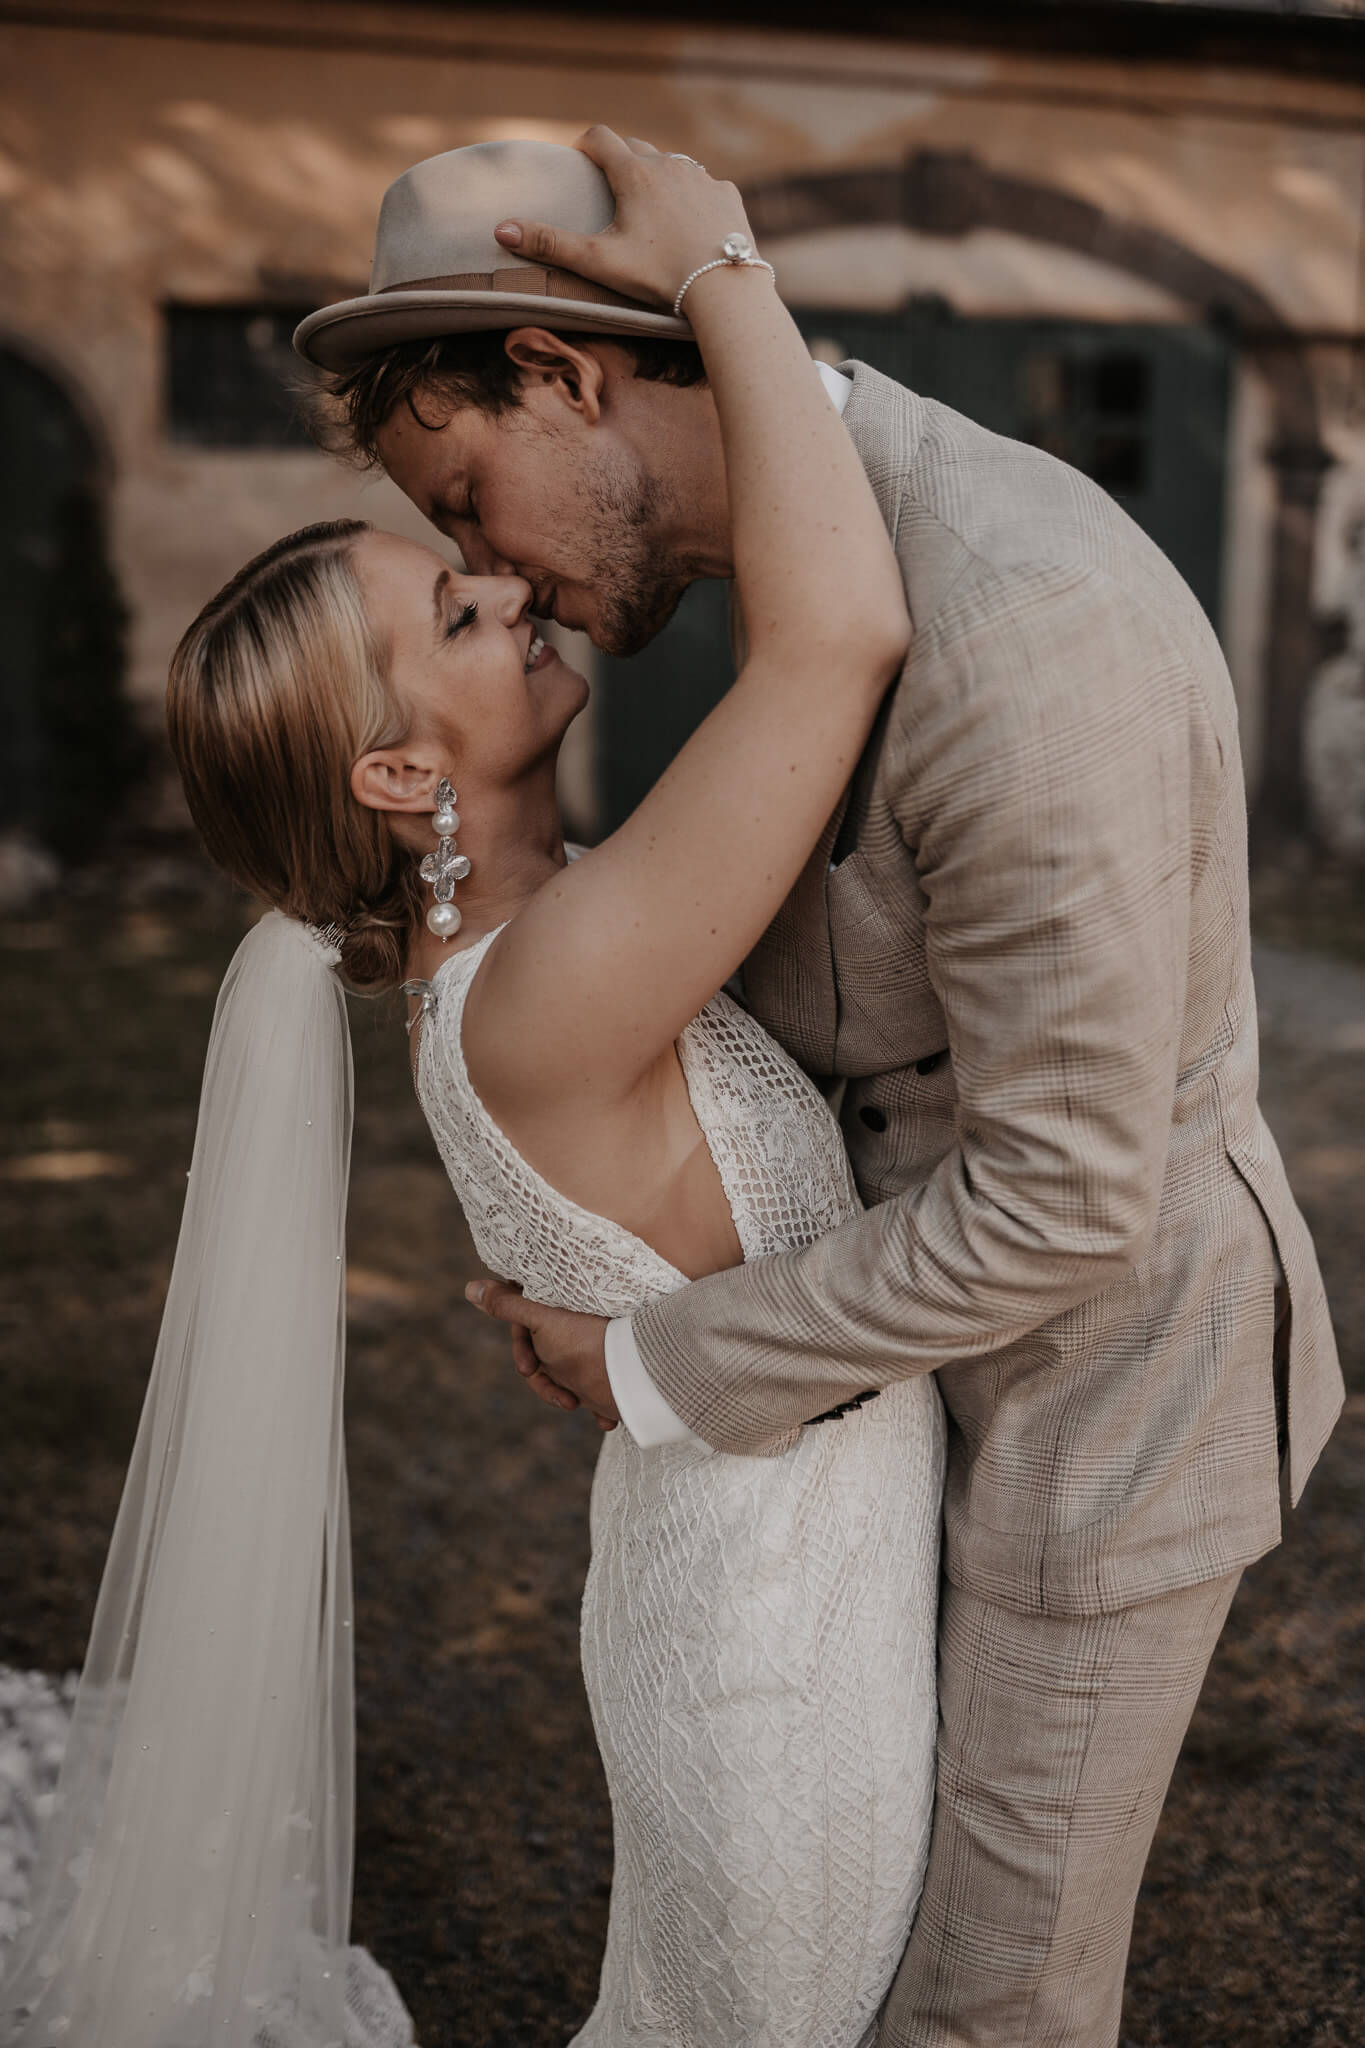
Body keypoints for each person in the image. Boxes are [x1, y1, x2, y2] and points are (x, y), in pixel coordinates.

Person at [297, 130, 1346, 2046]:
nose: (484, 573)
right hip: (879, 1423)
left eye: (465, 498)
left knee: (979, 2006)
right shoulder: (745, 565)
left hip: (1096, 1419)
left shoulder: (1017, 622)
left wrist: (654, 1362)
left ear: (561, 374)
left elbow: (1061, 1203)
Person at [1, 139, 946, 2047]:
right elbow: (838, 634)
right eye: (456, 614)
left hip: (769, 1599)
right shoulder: (548, 988)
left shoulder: (538, 947)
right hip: (774, 1664)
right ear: (391, 779)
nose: (509, 587)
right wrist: (720, 282)